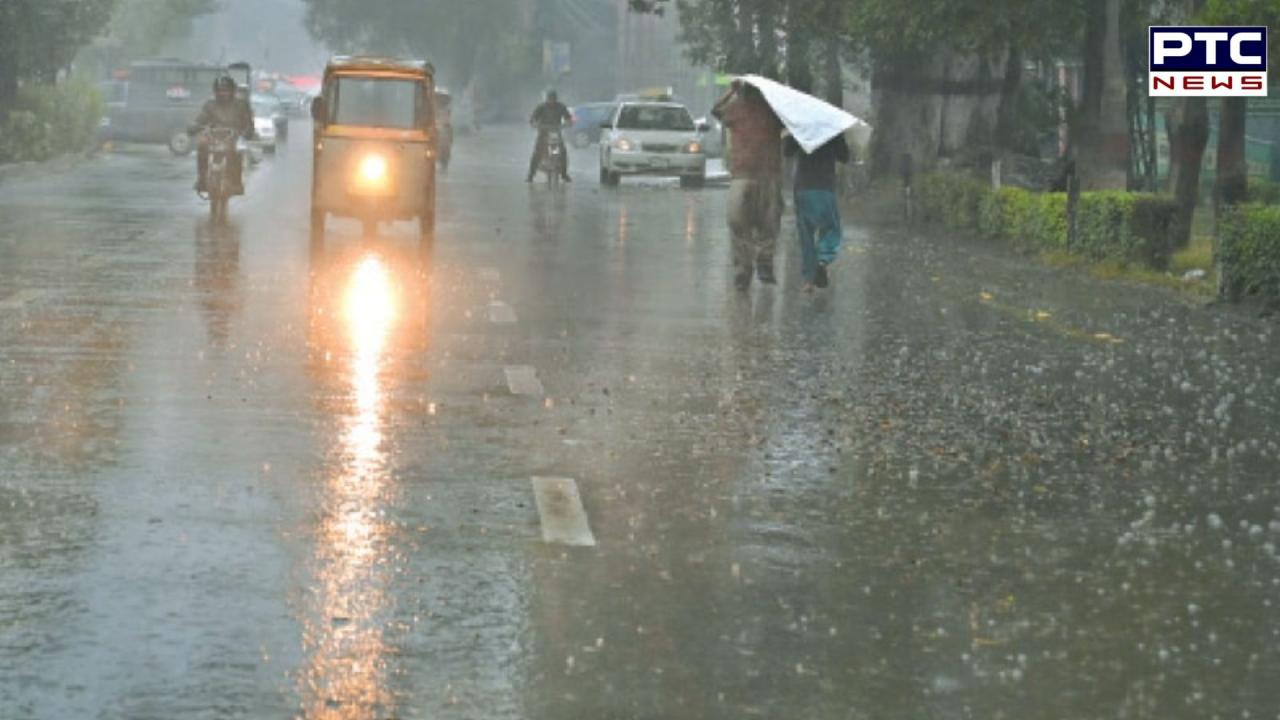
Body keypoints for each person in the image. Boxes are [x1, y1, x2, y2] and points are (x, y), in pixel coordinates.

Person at [712, 80, 784, 290]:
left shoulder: (773, 111)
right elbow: (716, 110)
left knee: (768, 223)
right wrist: (731, 91)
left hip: (768, 174)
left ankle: (763, 263)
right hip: (743, 174)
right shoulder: (736, 109)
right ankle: (743, 270)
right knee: (738, 222)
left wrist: (731, 92)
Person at [785, 132, 850, 289]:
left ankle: (808, 280)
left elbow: (787, 152)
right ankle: (822, 260)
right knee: (831, 228)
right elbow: (845, 157)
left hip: (803, 188)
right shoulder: (832, 129)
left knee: (806, 234)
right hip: (824, 186)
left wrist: (792, 134)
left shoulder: (800, 127)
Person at [190, 76, 255, 195]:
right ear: (215, 91)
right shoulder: (210, 105)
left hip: (233, 137)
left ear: (232, 91)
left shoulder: (241, 105)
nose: (222, 93)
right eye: (219, 90)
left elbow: (248, 123)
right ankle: (202, 179)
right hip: (213, 137)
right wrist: (193, 127)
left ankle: (236, 182)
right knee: (202, 144)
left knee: (237, 151)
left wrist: (248, 132)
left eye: (226, 90)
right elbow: (201, 119)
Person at [527, 90, 572, 182]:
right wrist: (534, 123)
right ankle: (531, 175)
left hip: (556, 133)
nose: (551, 101)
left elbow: (568, 117)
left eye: (553, 99)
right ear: (547, 99)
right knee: (537, 152)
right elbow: (533, 118)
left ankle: (564, 174)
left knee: (563, 151)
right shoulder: (541, 107)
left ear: (556, 99)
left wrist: (568, 122)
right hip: (543, 133)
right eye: (550, 99)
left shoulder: (561, 107)